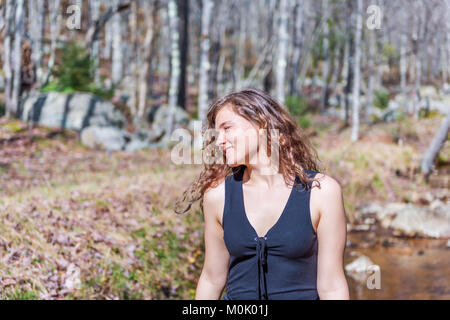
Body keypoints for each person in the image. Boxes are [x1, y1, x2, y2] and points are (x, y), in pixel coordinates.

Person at [176, 88, 349, 300]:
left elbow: (332, 287)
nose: (218, 140)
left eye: (227, 128)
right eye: (216, 132)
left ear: (261, 125)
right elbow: (212, 279)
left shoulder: (321, 192)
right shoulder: (218, 196)